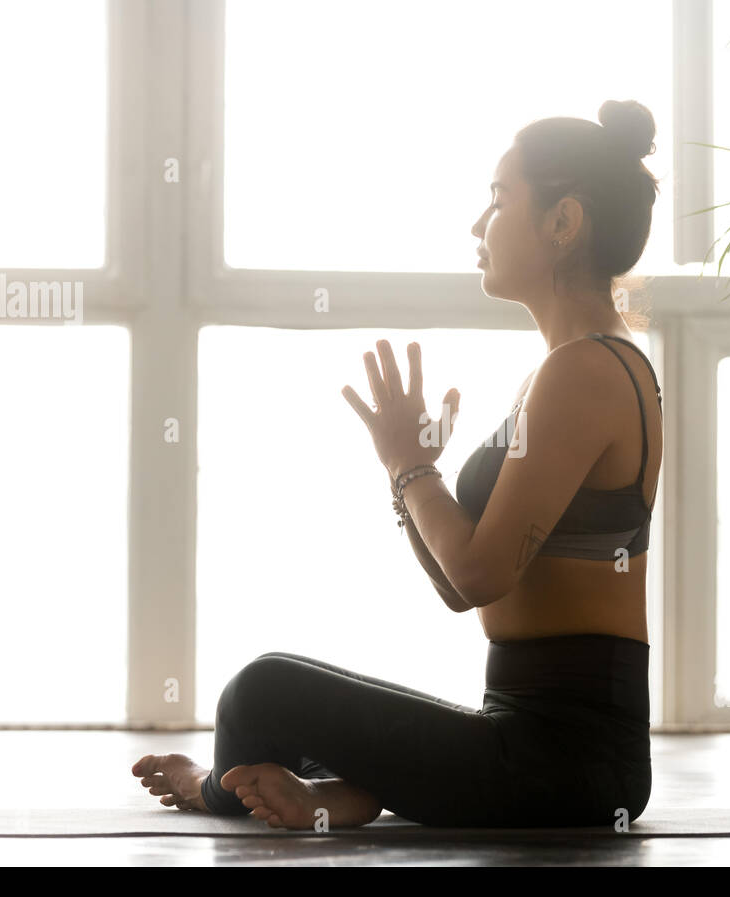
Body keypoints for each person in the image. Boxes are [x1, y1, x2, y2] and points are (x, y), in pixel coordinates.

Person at [132, 99, 663, 829]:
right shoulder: (571, 368)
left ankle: (214, 790)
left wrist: (410, 465)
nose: (479, 226)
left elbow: (478, 575)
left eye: (500, 200)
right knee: (278, 689)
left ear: (563, 223)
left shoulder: (586, 372)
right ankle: (345, 792)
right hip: (535, 743)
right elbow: (458, 586)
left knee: (259, 693)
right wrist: (406, 471)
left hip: (564, 762)